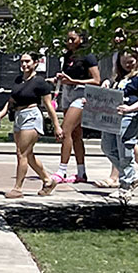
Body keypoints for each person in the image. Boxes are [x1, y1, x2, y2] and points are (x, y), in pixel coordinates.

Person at [0, 52, 63, 198]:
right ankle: (48, 180)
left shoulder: (40, 82)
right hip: (18, 116)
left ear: (35, 63)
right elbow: (11, 101)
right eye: (22, 62)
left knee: (21, 153)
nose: (24, 65)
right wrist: (0, 116)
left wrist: (56, 125)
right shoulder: (18, 80)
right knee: (28, 154)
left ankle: (18, 188)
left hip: (31, 116)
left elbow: (49, 105)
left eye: (27, 61)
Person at [50, 28, 101, 183]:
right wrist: (59, 79)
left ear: (81, 39)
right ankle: (81, 172)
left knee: (65, 131)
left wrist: (74, 81)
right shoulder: (67, 56)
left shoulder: (88, 56)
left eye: (73, 39)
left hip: (81, 94)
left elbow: (96, 80)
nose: (70, 42)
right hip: (67, 92)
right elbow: (68, 76)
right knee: (76, 134)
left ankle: (62, 171)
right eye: (68, 39)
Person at [104, 49, 138, 190]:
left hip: (129, 117)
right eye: (124, 62)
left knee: (125, 151)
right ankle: (131, 176)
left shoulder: (137, 78)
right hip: (112, 117)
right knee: (107, 148)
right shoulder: (118, 78)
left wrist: (130, 108)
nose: (127, 65)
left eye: (131, 62)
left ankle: (126, 185)